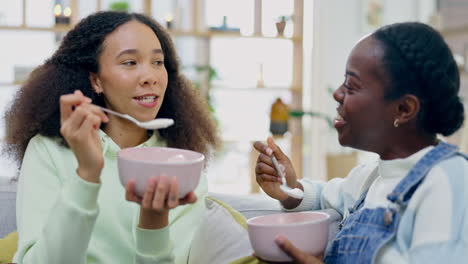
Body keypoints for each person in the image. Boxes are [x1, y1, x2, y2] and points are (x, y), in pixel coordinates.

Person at [4, 11, 219, 263]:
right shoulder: (48, 151)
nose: (150, 77)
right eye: (130, 62)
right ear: (95, 80)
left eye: (157, 62)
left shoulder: (183, 161)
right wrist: (87, 174)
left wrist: (153, 222)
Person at [254, 22, 467, 263]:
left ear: (404, 109)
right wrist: (288, 187)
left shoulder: (449, 180)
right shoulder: (370, 178)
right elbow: (324, 194)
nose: (337, 94)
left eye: (351, 86)